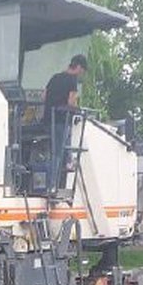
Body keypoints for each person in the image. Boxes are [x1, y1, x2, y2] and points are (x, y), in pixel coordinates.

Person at [43, 55, 87, 189]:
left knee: (55, 150)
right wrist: (77, 109)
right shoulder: (72, 81)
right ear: (78, 67)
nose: (81, 74)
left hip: (48, 119)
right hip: (62, 120)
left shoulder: (55, 77)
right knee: (57, 154)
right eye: (82, 71)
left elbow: (44, 95)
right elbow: (71, 102)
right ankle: (52, 185)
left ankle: (69, 160)